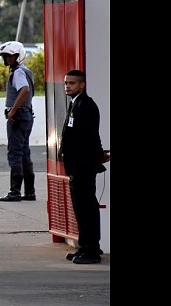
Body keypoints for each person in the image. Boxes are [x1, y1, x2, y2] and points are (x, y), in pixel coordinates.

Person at [60, 69, 109, 264]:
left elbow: (90, 136)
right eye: (66, 83)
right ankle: (84, 247)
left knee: (87, 208)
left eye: (72, 83)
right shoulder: (75, 104)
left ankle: (92, 250)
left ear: (82, 85)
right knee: (80, 209)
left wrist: (98, 156)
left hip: (83, 167)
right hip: (76, 167)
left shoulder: (85, 105)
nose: (67, 86)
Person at [0, 41, 36, 202]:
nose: (6, 59)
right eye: (5, 56)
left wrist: (12, 111)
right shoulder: (26, 71)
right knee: (24, 154)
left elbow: (25, 89)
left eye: (9, 56)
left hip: (18, 117)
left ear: (17, 56)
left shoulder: (19, 72)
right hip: (26, 115)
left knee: (15, 154)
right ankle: (29, 192)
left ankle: (15, 192)